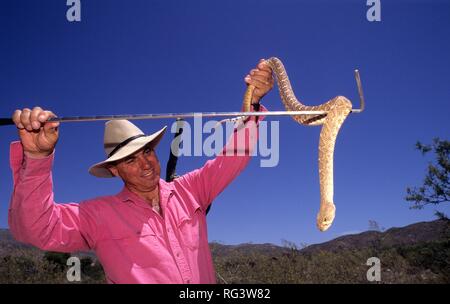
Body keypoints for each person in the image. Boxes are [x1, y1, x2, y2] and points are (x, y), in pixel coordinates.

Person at [8, 59, 274, 284]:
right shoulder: (98, 215)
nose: (145, 163)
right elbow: (36, 229)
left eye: (147, 151)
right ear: (114, 170)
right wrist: (36, 157)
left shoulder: (191, 190)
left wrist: (251, 103)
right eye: (130, 160)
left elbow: (233, 158)